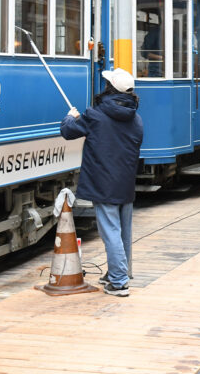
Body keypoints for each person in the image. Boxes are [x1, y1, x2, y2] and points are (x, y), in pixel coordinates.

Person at [60, 68, 144, 297]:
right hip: (125, 183)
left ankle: (118, 282)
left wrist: (70, 116)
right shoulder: (136, 119)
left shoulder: (95, 115)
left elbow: (68, 131)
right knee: (123, 232)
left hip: (104, 183)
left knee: (110, 232)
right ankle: (119, 273)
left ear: (109, 88)